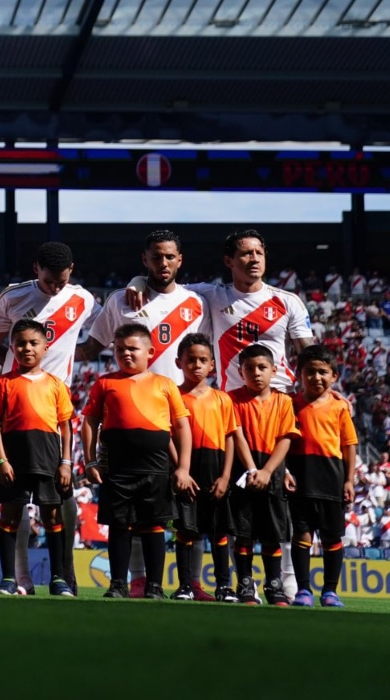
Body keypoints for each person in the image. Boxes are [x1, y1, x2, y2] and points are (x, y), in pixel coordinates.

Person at [128, 229, 313, 598]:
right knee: (236, 505)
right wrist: (136, 280)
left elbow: (308, 352)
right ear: (229, 261)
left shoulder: (287, 301)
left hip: (277, 408)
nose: (254, 259)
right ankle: (242, 581)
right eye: (245, 253)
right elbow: (167, 283)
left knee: (283, 497)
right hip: (230, 409)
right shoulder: (212, 295)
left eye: (259, 251)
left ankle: (289, 581)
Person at [85, 230, 207, 597]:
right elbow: (92, 346)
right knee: (131, 513)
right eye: (156, 257)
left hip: (183, 410)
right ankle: (136, 580)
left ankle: (192, 581)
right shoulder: (121, 301)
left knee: (188, 505)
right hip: (132, 420)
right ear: (145, 259)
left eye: (170, 256)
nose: (163, 263)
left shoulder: (199, 301)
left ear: (180, 259)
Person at [0, 241, 98, 595]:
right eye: (49, 281)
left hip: (53, 410)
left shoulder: (84, 299)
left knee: (61, 506)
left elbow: (102, 335)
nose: (56, 288)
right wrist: (15, 365)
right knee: (14, 508)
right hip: (16, 409)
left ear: (71, 271)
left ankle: (64, 578)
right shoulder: (13, 299)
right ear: (36, 270)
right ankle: (18, 579)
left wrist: (137, 283)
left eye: (61, 281)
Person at [81, 323, 191, 600]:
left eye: (132, 348)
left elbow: (181, 428)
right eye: (119, 349)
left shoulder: (165, 384)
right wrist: (91, 462)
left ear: (149, 352)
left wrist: (183, 468)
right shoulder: (105, 383)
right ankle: (118, 584)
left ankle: (154, 586)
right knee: (119, 526)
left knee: (154, 527)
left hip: (155, 469)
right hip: (117, 468)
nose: (126, 354)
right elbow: (90, 422)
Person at [0, 319, 75, 597]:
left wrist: (66, 462)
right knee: (11, 514)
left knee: (51, 515)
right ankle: (9, 579)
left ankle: (59, 578)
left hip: (48, 457)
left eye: (33, 343)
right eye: (20, 343)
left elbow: (65, 426)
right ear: (12, 347)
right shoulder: (5, 383)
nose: (26, 348)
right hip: (15, 457)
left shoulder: (56, 385)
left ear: (45, 348)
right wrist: (2, 461)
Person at [169, 333, 253, 603]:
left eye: (202, 360)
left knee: (220, 532)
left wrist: (226, 476)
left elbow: (230, 438)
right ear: (178, 362)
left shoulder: (222, 399)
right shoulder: (173, 396)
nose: (196, 364)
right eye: (190, 359)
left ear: (212, 365)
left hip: (216, 468)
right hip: (187, 469)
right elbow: (168, 436)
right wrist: (179, 469)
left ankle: (224, 586)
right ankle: (185, 586)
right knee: (186, 530)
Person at [227, 344, 300, 605]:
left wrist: (269, 471)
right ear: (240, 371)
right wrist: (251, 469)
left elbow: (286, 438)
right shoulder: (232, 399)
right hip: (244, 470)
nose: (256, 373)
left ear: (274, 370)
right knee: (243, 531)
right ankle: (245, 584)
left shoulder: (283, 401)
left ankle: (274, 584)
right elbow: (237, 435)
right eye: (249, 368)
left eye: (262, 367)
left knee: (272, 533)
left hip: (273, 471)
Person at [288, 345, 358, 608]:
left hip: (331, 477)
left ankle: (330, 591)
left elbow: (349, 445)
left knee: (331, 537)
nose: (316, 377)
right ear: (299, 374)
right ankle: (303, 590)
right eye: (310, 372)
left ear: (334, 376)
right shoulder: (290, 404)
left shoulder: (340, 408)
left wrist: (349, 480)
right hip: (300, 476)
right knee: (302, 535)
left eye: (323, 372)